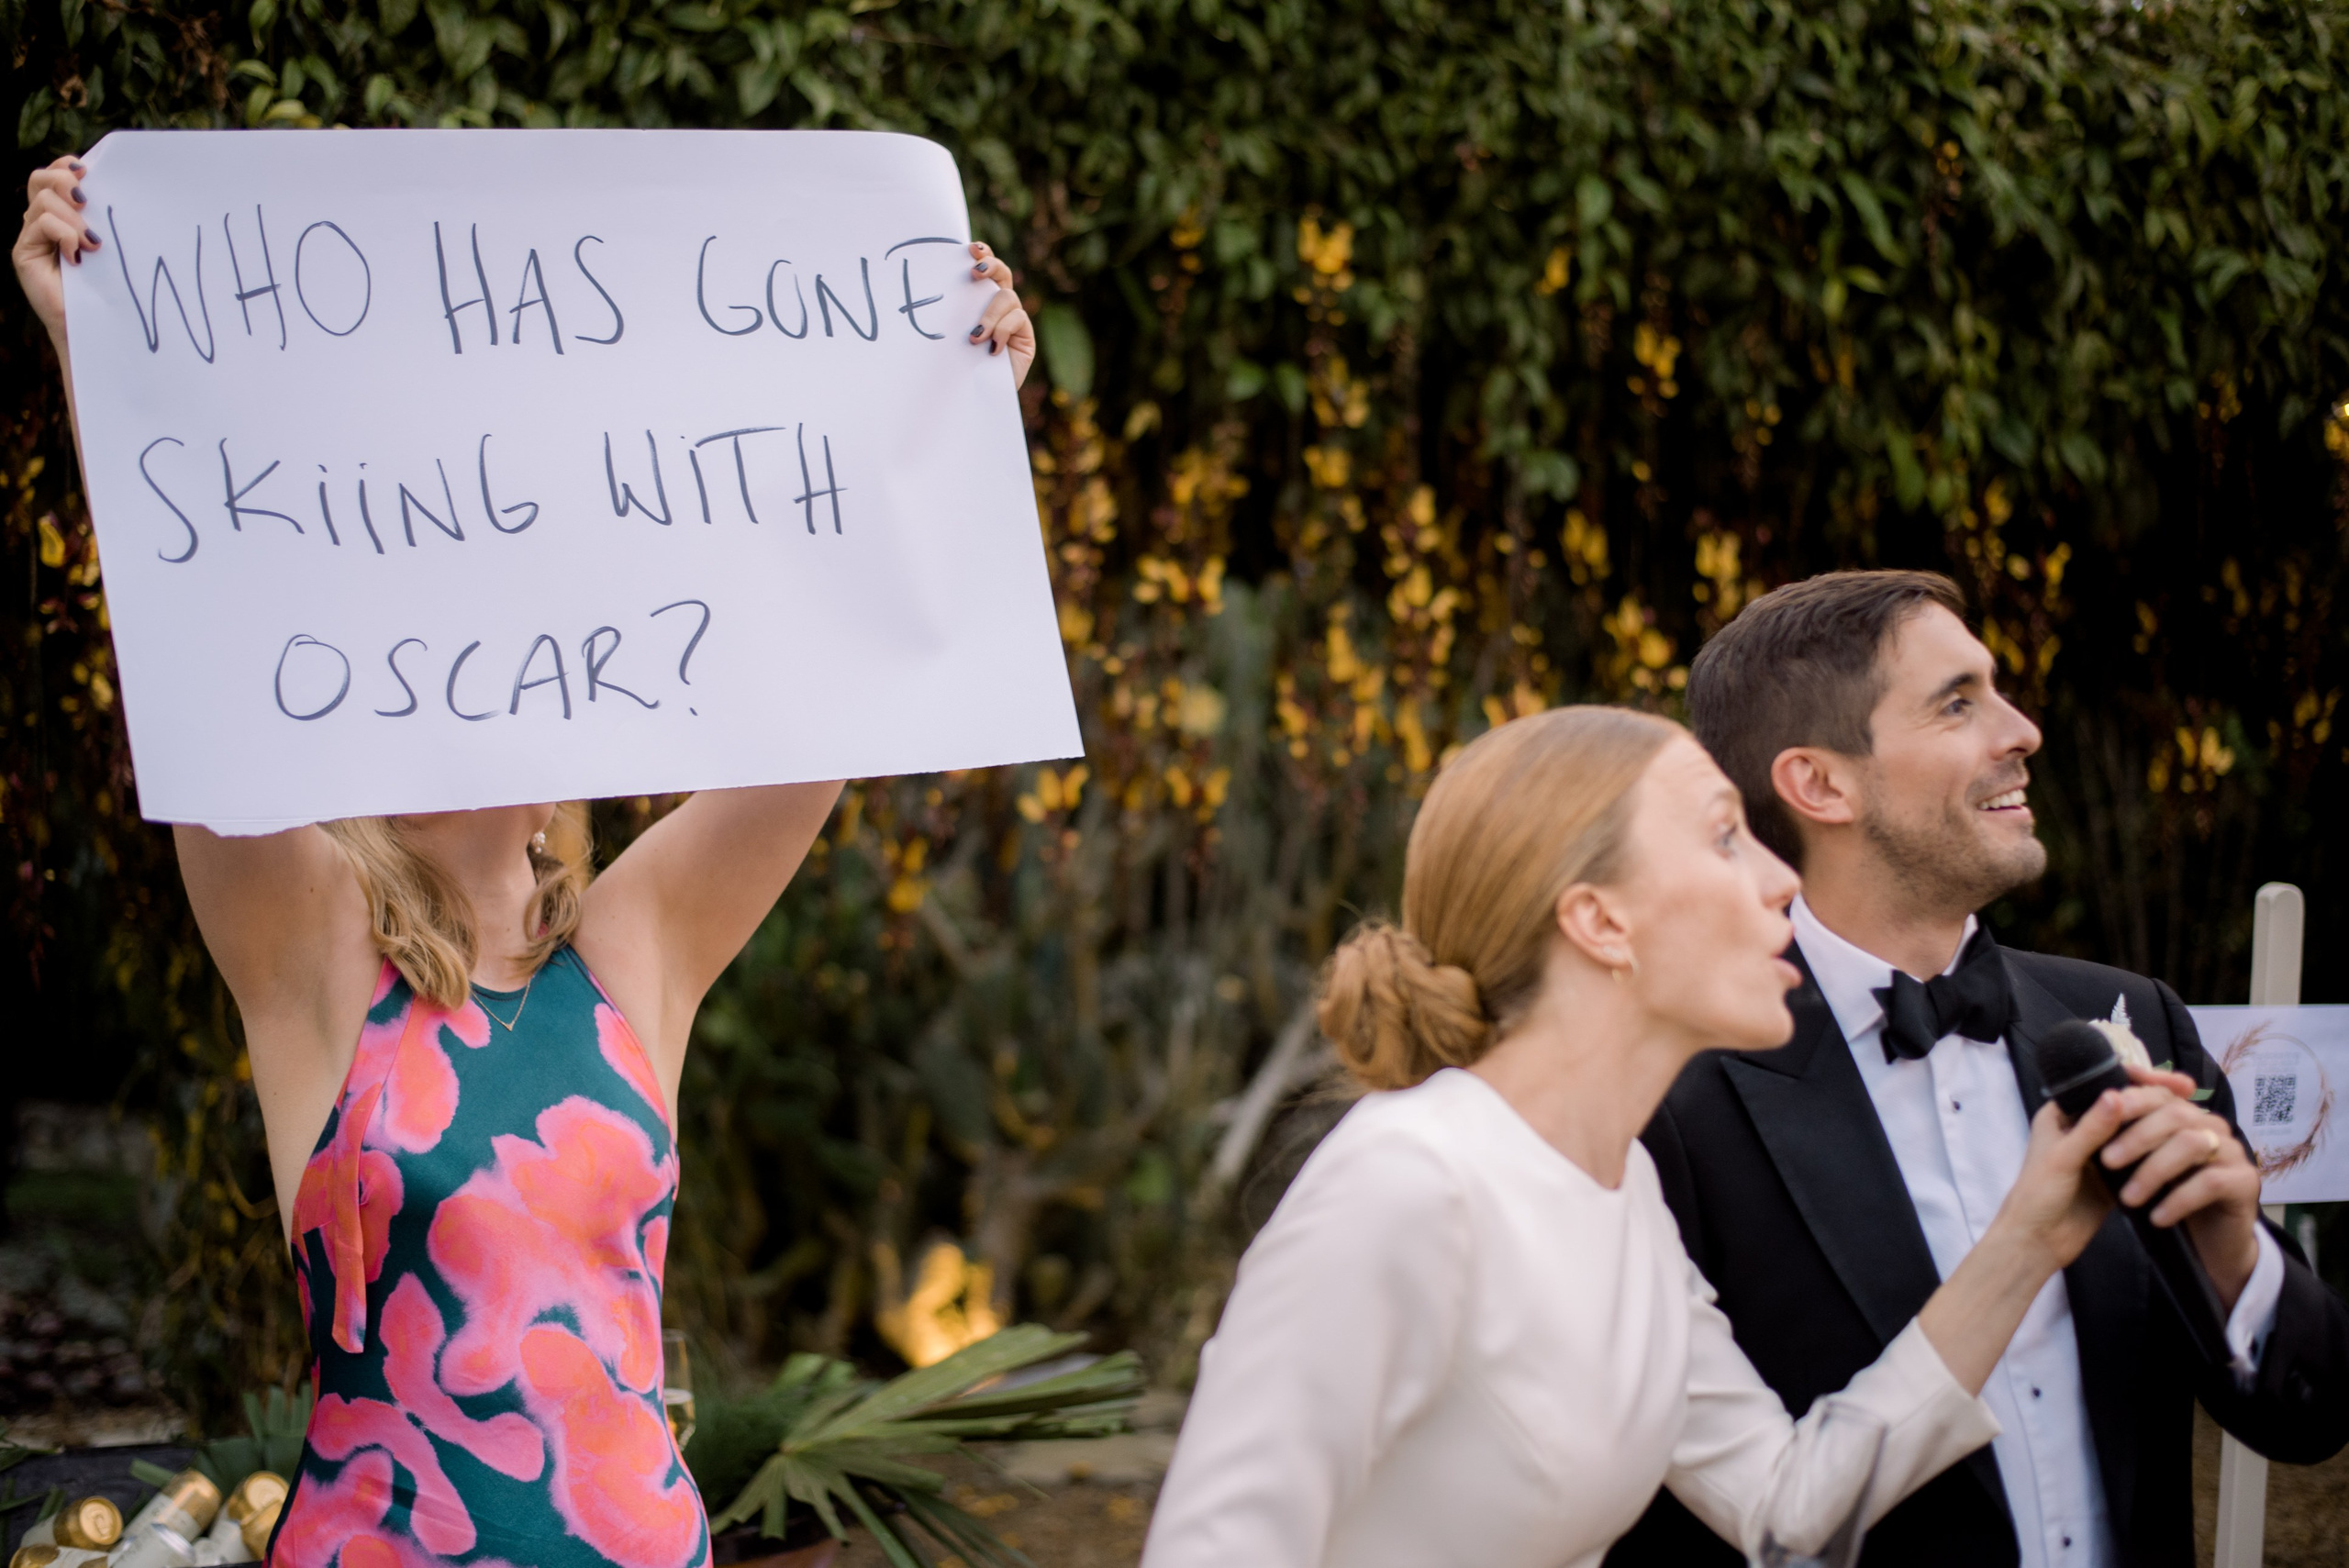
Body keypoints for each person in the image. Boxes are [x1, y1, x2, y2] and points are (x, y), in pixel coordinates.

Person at [14, 152, 1036, 1568]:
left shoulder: (629, 950)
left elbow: (833, 698)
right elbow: (199, 649)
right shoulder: (313, 949)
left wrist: (950, 408)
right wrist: (98, 352)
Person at [1141, 704, 2211, 1568]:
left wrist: (2027, 1238)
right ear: (1599, 920)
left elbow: (1787, 1509)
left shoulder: (1624, 1196)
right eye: (1720, 834)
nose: (1782, 878)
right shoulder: (1410, 1180)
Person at [1605, 571, 2349, 1568]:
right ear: (1820, 782)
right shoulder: (1675, 1099)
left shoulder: (2131, 1021)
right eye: (1959, 702)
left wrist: (2236, 1262)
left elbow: (2311, 1419)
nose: (2022, 729)